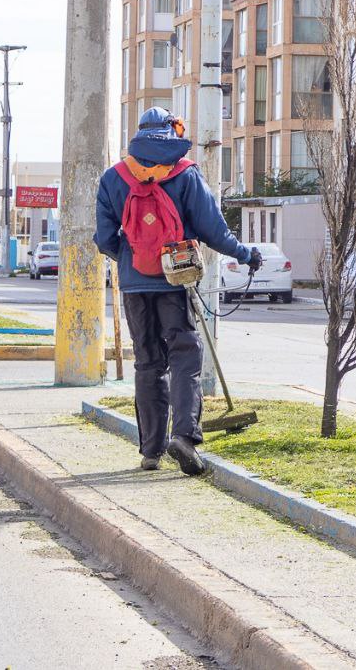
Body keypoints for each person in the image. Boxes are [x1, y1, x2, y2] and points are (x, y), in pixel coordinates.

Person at [95, 107, 261, 475]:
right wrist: (246, 254)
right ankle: (183, 436)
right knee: (185, 353)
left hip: (135, 284)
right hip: (176, 280)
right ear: (172, 131)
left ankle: (150, 451)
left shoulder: (114, 178)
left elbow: (104, 239)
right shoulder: (184, 173)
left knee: (148, 362)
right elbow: (212, 229)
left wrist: (132, 256)